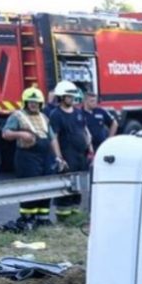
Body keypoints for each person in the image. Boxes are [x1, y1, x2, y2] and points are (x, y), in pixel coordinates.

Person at [1, 87, 64, 229]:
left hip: (46, 156)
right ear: (25, 102)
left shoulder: (44, 117)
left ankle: (43, 218)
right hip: (27, 156)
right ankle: (27, 219)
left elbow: (52, 138)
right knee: (30, 187)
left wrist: (58, 157)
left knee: (47, 185)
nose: (33, 104)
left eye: (36, 102)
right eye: (30, 102)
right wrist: (21, 135)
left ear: (41, 104)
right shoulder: (17, 116)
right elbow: (5, 133)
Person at [48, 81, 92, 219]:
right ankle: (63, 218)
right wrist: (59, 157)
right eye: (69, 96)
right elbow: (54, 137)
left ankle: (74, 217)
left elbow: (85, 131)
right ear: (62, 96)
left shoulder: (78, 113)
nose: (71, 98)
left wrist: (90, 149)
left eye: (73, 95)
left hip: (80, 155)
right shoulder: (56, 114)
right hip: (67, 155)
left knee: (78, 187)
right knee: (66, 187)